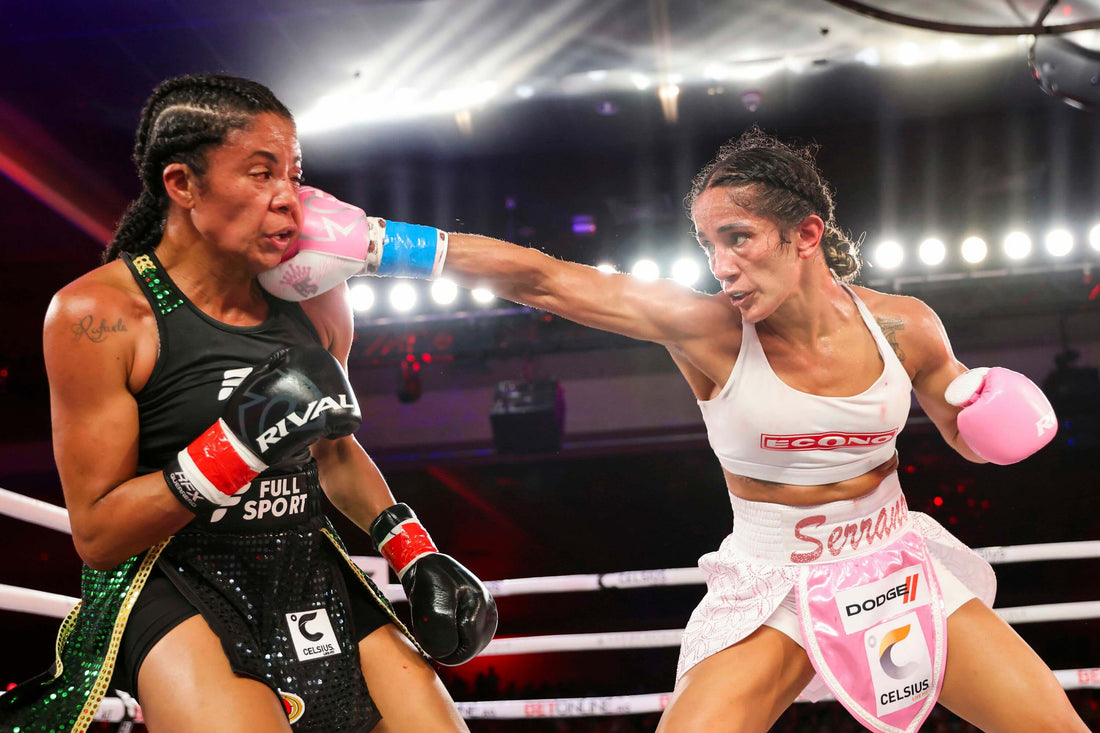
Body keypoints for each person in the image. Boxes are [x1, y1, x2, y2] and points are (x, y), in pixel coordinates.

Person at [262, 129, 1087, 732]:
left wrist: (984, 412)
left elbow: (959, 422)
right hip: (777, 585)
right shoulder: (707, 330)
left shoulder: (904, 325)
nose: (721, 264)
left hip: (893, 558)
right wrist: (376, 241)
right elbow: (546, 279)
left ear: (806, 236)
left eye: (739, 238)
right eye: (708, 243)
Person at [0, 74, 496, 733]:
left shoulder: (318, 297)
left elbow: (334, 449)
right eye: (260, 175)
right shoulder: (100, 314)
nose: (288, 200)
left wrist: (413, 549)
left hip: (298, 555)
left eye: (293, 174)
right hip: (171, 571)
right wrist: (234, 446)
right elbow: (97, 532)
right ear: (181, 185)